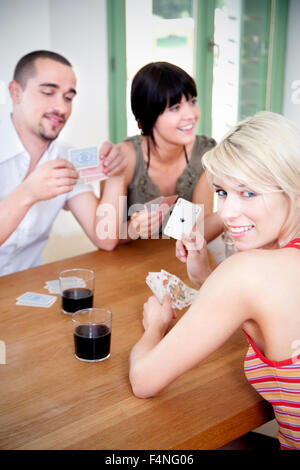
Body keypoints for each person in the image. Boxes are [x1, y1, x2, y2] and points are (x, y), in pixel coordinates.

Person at [129, 111, 300, 450]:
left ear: (292, 188)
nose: (227, 212)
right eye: (221, 192)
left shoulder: (246, 272)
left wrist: (155, 326)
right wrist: (204, 275)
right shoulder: (259, 272)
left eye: (248, 193)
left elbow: (144, 380)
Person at [0, 50, 126, 276]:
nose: (62, 108)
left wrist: (117, 173)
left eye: (68, 98)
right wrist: (28, 192)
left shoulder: (67, 156)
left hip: (22, 288)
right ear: (15, 92)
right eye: (48, 92)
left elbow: (105, 239)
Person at [96, 62, 224, 250]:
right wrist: (133, 228)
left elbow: (197, 230)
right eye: (175, 108)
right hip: (125, 264)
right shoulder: (124, 157)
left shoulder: (203, 154)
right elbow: (105, 239)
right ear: (149, 115)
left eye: (192, 101)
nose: (190, 115)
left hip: (177, 261)